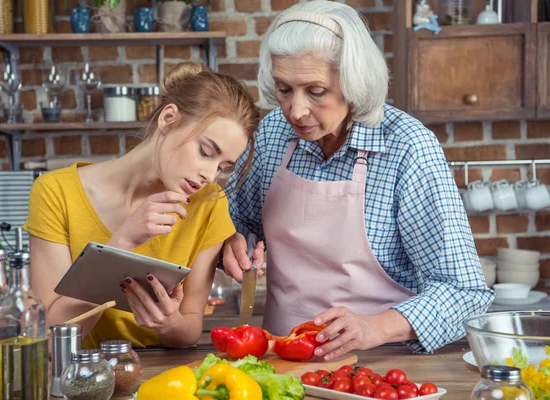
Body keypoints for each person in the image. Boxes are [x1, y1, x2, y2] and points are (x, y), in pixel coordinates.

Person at [222, 1, 494, 358]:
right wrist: (232, 241)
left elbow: (466, 293)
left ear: (354, 82)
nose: (296, 110)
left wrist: (374, 327)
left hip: (379, 365)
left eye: (316, 91)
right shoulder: (272, 133)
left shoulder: (407, 147)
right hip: (281, 355)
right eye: (284, 89)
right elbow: (236, 222)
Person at [24, 62, 260, 348]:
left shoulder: (208, 204)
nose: (210, 175)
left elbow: (189, 329)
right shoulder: (55, 192)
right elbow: (51, 337)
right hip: (78, 374)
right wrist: (122, 244)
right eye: (205, 152)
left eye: (223, 166)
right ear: (168, 118)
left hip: (160, 376)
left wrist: (170, 324)